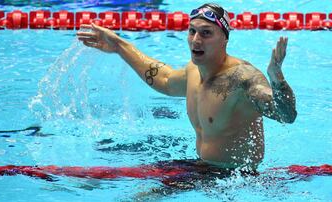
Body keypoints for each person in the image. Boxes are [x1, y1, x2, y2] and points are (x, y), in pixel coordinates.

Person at [77, 3, 297, 172]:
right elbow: (163, 78)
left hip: (236, 181)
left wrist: (277, 79)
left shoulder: (242, 79)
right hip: (202, 171)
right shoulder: (193, 71)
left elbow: (286, 115)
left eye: (206, 33)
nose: (196, 40)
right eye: (192, 31)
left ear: (224, 39)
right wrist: (119, 45)